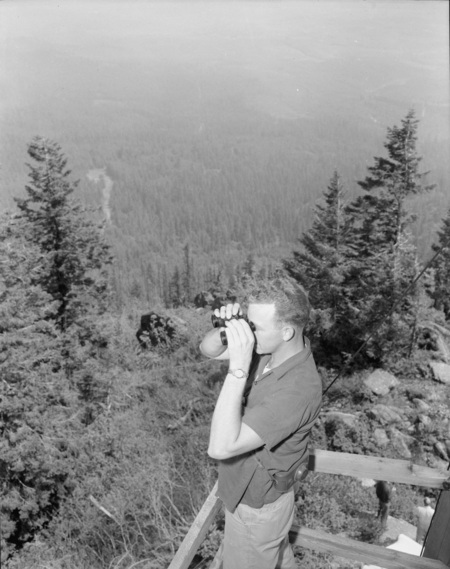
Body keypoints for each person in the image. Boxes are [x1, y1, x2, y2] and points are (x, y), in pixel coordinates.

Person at [200, 277, 322, 569]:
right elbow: (207, 349)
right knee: (277, 557)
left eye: (254, 326)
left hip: (256, 508)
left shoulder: (297, 389)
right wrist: (226, 329)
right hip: (260, 499)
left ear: (287, 331)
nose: (248, 333)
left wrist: (238, 370)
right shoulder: (270, 349)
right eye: (247, 322)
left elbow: (220, 447)